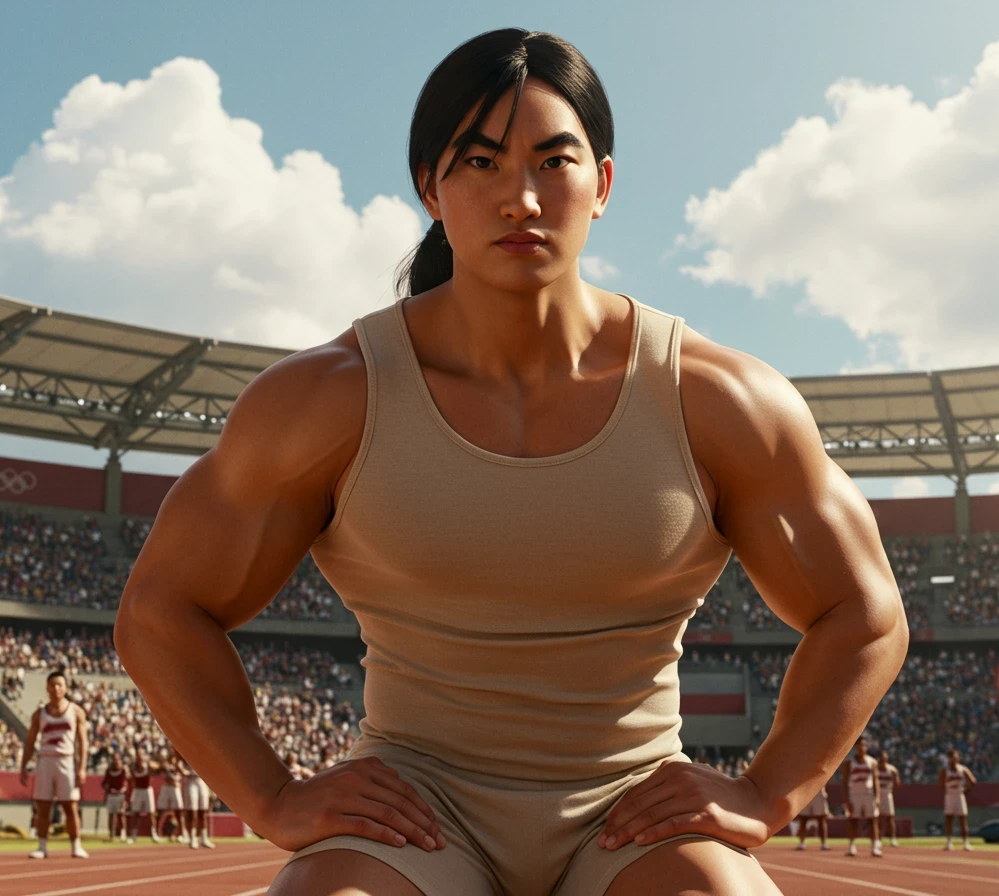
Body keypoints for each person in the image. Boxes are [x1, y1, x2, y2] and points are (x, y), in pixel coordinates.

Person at [114, 27, 908, 896]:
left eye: (553, 162)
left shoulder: (718, 400)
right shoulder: (327, 400)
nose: (519, 198)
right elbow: (163, 609)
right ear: (430, 187)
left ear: (601, 183)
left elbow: (864, 612)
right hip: (414, 817)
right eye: (481, 163)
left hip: (632, 813)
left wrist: (765, 792)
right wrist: (269, 795)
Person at [19, 670, 89, 859]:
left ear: (66, 688)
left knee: (70, 805)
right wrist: (23, 766)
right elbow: (30, 741)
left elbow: (83, 742)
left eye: (60, 684)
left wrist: (82, 767)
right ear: (47, 688)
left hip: (66, 759)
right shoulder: (39, 714)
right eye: (53, 685)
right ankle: (42, 846)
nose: (56, 688)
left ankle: (76, 845)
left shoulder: (75, 711)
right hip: (45, 760)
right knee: (43, 806)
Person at [841, 737, 883, 857]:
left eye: (864, 745)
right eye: (859, 745)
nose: (861, 748)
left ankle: (875, 846)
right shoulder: (849, 763)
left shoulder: (872, 762)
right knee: (853, 821)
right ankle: (852, 846)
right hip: (854, 795)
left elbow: (876, 781)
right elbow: (844, 782)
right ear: (855, 747)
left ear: (866, 747)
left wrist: (878, 797)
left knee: (872, 821)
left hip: (868, 795)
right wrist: (846, 800)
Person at [175, 748, 214, 850]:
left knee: (203, 811)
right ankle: (193, 837)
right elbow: (177, 761)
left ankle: (204, 838)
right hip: (191, 779)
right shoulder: (184, 746)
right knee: (193, 811)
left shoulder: (203, 746)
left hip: (202, 780)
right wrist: (183, 770)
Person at [939, 748, 976, 851]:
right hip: (949, 796)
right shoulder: (945, 770)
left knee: (963, 819)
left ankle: (965, 843)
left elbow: (973, 781)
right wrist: (949, 789)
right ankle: (949, 842)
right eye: (953, 757)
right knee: (949, 819)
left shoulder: (962, 768)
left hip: (960, 796)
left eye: (957, 757)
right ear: (949, 758)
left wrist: (964, 789)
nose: (955, 759)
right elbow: (941, 783)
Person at [127, 751, 160, 843]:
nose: (139, 758)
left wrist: (150, 763)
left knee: (151, 813)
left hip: (147, 790)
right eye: (138, 756)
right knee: (136, 813)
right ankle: (133, 835)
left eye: (140, 756)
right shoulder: (133, 767)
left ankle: (154, 834)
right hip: (137, 790)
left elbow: (158, 767)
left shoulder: (148, 766)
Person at [155, 748, 187, 843]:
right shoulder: (165, 764)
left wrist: (177, 767)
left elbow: (182, 772)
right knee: (161, 810)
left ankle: (180, 833)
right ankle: (158, 833)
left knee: (178, 811)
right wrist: (162, 766)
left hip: (175, 788)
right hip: (166, 787)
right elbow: (156, 768)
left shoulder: (179, 764)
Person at [101, 751, 130, 842]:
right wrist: (109, 789)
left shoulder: (124, 769)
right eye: (114, 759)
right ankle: (112, 834)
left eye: (117, 759)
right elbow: (104, 783)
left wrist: (124, 789)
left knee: (121, 814)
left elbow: (128, 781)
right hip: (111, 795)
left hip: (121, 795)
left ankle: (123, 833)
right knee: (111, 815)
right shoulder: (109, 770)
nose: (115, 761)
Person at [793, 783, 830, 851]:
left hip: (818, 791)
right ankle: (801, 843)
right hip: (804, 791)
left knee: (821, 819)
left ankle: (824, 843)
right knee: (803, 819)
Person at [877, 748, 901, 847]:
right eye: (882, 758)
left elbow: (898, 784)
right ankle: (878, 839)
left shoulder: (892, 770)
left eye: (885, 758)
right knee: (879, 819)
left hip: (887, 796)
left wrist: (895, 777)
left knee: (890, 818)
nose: (883, 760)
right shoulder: (875, 769)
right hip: (877, 796)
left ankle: (893, 839)